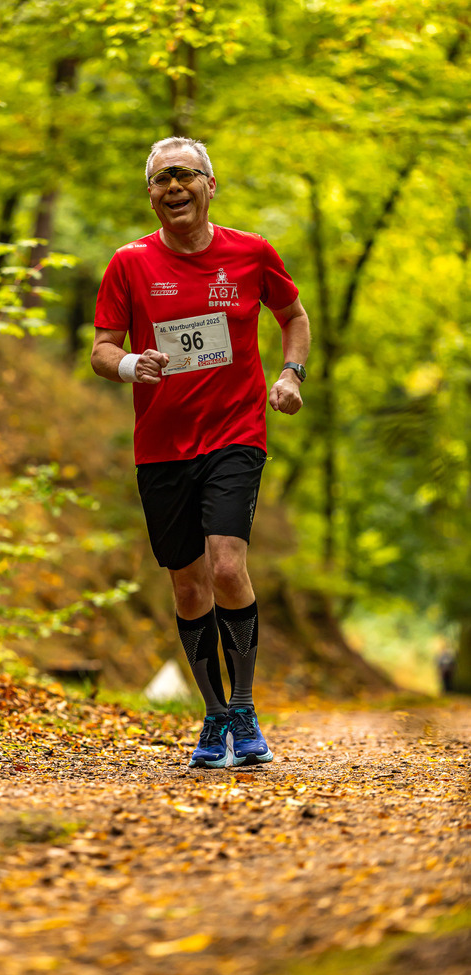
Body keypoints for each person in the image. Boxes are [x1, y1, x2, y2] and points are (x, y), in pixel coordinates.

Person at [91, 136, 310, 769]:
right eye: (161, 180)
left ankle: (243, 708)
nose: (174, 188)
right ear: (152, 196)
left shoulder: (250, 253)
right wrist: (134, 363)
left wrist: (291, 375)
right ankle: (213, 719)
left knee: (225, 566)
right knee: (189, 588)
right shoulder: (129, 264)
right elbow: (102, 349)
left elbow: (292, 315)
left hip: (235, 432)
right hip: (161, 444)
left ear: (210, 185)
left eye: (185, 175)